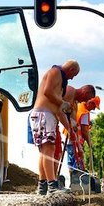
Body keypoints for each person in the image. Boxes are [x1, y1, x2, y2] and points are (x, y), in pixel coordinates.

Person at [29, 60, 79, 195]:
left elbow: (58, 112)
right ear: (71, 69)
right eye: (74, 75)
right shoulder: (55, 72)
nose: (72, 78)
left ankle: (43, 185)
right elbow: (47, 91)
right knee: (48, 149)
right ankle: (52, 186)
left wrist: (69, 129)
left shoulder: (60, 81)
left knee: (45, 150)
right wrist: (62, 102)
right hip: (43, 115)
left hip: (45, 115)